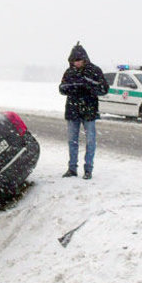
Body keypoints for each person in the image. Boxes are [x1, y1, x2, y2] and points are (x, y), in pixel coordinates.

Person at [58, 42, 109, 180]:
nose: (77, 63)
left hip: (89, 111)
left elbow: (104, 89)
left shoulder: (95, 71)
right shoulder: (69, 72)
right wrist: (73, 87)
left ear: (84, 59)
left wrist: (89, 86)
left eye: (79, 60)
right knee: (72, 141)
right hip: (73, 111)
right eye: (74, 61)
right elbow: (61, 89)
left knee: (90, 141)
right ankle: (72, 168)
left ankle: (88, 170)